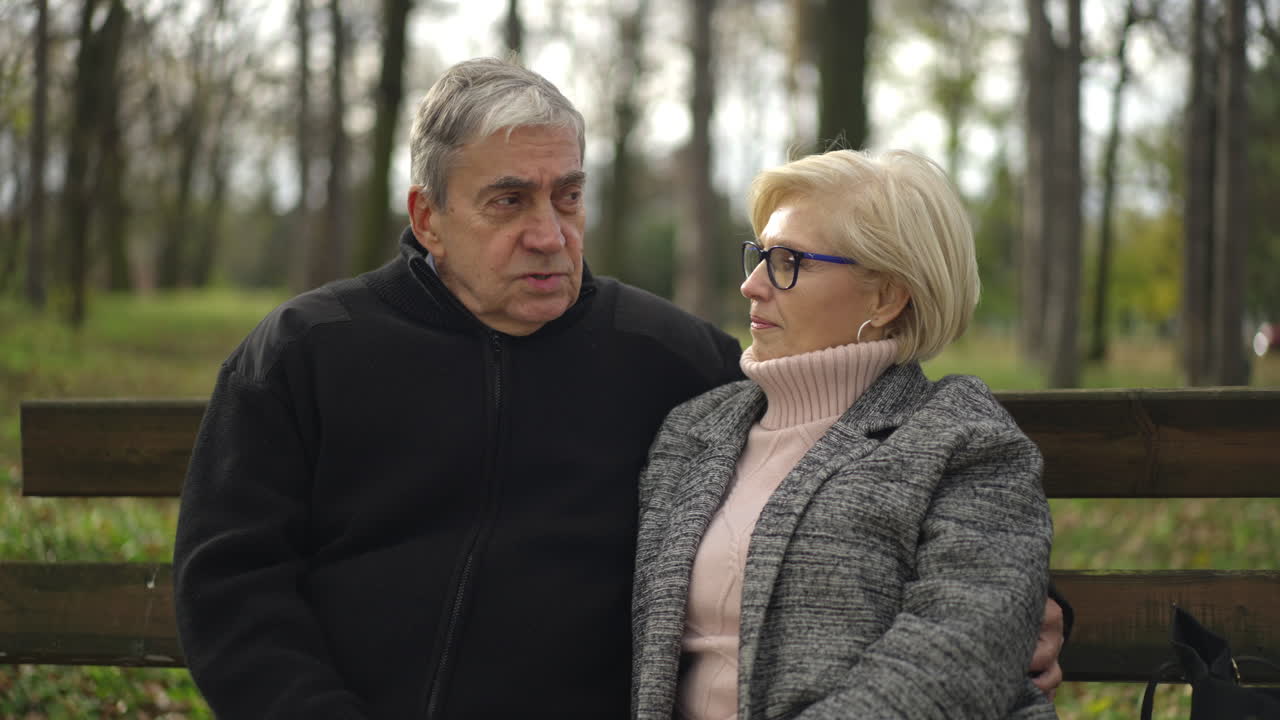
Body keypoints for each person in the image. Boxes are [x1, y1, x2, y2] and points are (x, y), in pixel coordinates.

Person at [173, 57, 1065, 718]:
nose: (549, 234)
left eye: (567, 198)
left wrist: (1021, 603)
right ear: (427, 218)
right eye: (508, 201)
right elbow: (232, 581)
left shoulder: (673, 362)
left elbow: (857, 447)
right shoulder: (309, 350)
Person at [631, 149, 1059, 719]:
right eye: (759, 256)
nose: (753, 285)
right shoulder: (695, 432)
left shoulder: (961, 440)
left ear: (885, 296)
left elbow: (953, 662)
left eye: (788, 261)